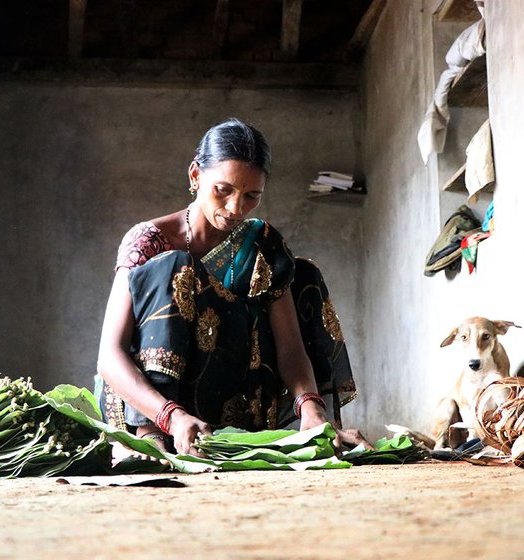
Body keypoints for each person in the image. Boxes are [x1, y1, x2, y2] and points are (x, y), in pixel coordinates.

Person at [96, 118, 368, 457]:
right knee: (175, 267)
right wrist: (172, 417)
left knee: (300, 275)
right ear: (195, 176)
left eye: (252, 196)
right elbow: (110, 356)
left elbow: (290, 348)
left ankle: (254, 431)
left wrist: (312, 408)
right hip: (156, 408)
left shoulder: (261, 246)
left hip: (235, 402)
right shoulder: (150, 241)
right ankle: (148, 435)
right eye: (223, 190)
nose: (235, 209)